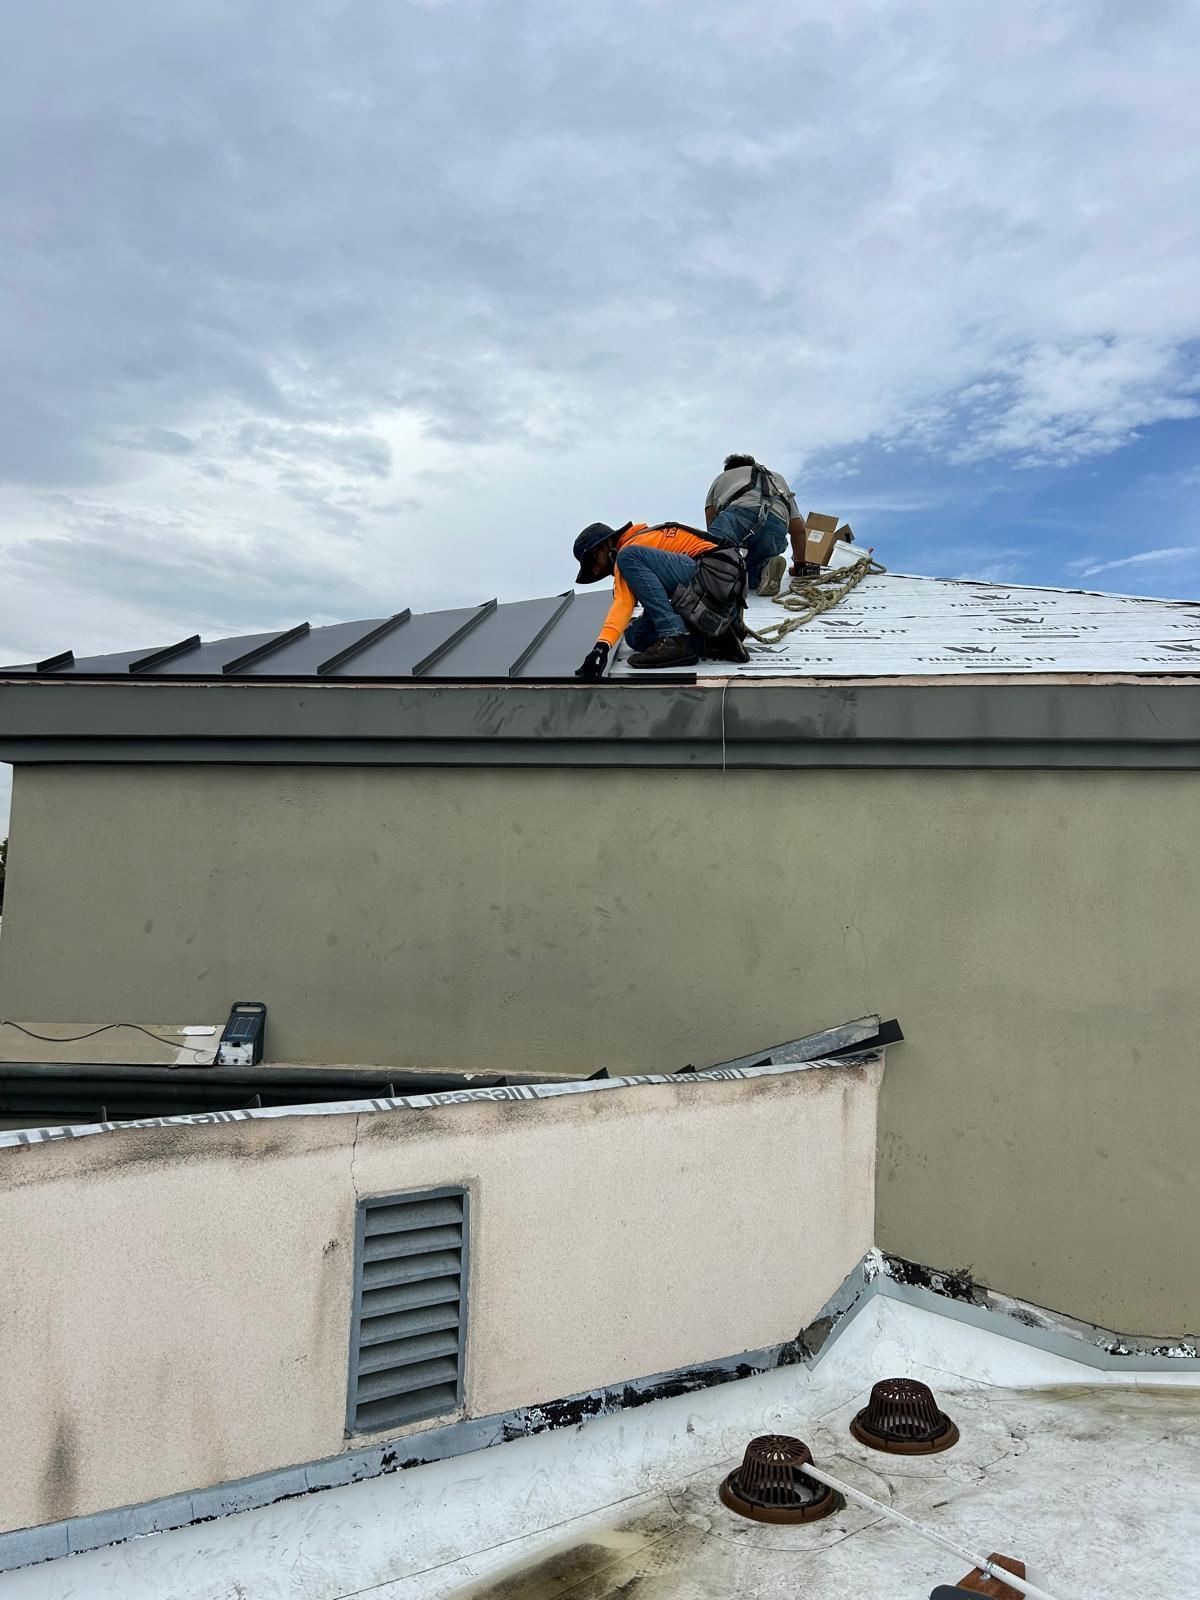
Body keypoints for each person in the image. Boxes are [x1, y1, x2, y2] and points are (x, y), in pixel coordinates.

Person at [572, 519, 749, 677]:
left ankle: (675, 635)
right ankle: (715, 643)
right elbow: (637, 598)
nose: (596, 570)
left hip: (715, 572)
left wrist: (601, 649)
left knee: (627, 556)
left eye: (592, 562)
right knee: (636, 635)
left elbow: (622, 603)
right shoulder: (643, 549)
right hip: (724, 589)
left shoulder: (630, 550)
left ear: (603, 547)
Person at [703, 453, 812, 595]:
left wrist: (715, 553)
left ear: (729, 469)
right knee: (755, 568)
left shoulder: (722, 478)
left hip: (737, 516)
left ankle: (723, 575)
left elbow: (711, 520)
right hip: (776, 525)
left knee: (720, 558)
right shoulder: (777, 479)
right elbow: (798, 529)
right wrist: (799, 566)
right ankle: (765, 568)